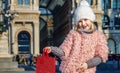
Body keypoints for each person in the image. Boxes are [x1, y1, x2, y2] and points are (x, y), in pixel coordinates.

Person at [43, 0, 109, 73]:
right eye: (80, 21)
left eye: (85, 19)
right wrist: (52, 49)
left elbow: (100, 56)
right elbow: (64, 52)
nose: (83, 23)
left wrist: (87, 65)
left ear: (91, 20)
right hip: (70, 70)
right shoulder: (73, 34)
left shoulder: (98, 36)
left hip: (86, 70)